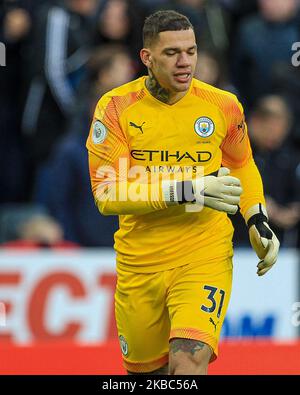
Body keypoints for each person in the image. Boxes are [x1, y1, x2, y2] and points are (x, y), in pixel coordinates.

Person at [86, 10, 279, 375]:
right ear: (147, 58)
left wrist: (255, 216)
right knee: (149, 376)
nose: (185, 62)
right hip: (139, 262)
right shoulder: (115, 109)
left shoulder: (222, 104)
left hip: (202, 252)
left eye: (191, 51)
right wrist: (189, 189)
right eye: (173, 52)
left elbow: (241, 163)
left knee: (189, 360)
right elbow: (107, 195)